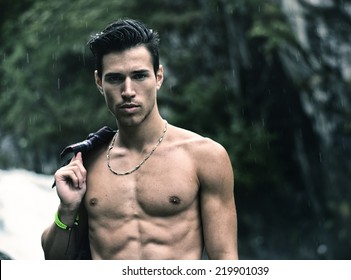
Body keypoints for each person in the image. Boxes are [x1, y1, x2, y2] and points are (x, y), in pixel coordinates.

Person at [41, 18, 237, 260]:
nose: (128, 91)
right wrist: (67, 210)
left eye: (139, 76)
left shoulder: (205, 157)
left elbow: (226, 261)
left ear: (159, 77)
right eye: (115, 78)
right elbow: (54, 261)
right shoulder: (87, 163)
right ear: (99, 82)